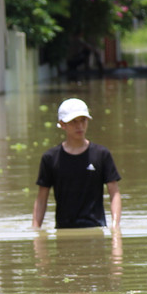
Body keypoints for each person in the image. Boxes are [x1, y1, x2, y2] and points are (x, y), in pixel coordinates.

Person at [32, 97, 122, 230]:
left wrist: (115, 229)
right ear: (62, 124)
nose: (79, 126)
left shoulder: (101, 154)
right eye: (73, 122)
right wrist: (35, 230)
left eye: (83, 120)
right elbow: (41, 198)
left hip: (96, 229)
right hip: (63, 230)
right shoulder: (50, 158)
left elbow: (114, 193)